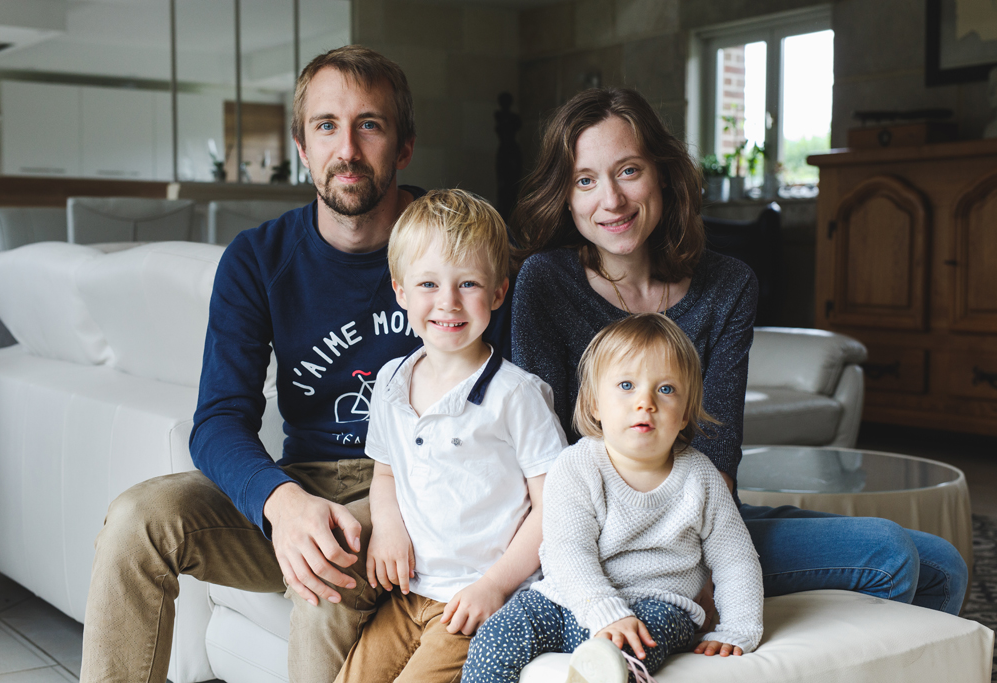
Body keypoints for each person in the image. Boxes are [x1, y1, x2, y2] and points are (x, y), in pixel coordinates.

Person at [80, 46, 504, 683]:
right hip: (304, 481)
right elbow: (218, 421)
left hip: (419, 491)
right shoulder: (257, 259)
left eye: (371, 124)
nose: (348, 149)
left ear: (405, 146)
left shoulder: (458, 248)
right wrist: (282, 502)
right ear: (303, 148)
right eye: (327, 126)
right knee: (137, 521)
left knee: (327, 569)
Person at [509, 87, 967, 622]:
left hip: (702, 513)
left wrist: (716, 562)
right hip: (605, 542)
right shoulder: (544, 282)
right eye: (586, 180)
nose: (610, 200)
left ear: (663, 173)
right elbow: (539, 454)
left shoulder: (727, 284)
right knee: (890, 553)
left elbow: (718, 455)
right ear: (566, 197)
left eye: (628, 171)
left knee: (945, 565)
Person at [333, 189, 567, 683]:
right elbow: (385, 471)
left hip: (475, 600)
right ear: (399, 291)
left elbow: (556, 508)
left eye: (468, 284)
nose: (448, 302)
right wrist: (389, 527)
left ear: (499, 293)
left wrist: (495, 587)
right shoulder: (391, 380)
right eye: (428, 284)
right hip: (407, 597)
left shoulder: (516, 395)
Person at [463, 313, 763, 683]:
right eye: (626, 385)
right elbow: (568, 550)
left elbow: (736, 559)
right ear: (594, 405)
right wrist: (605, 612)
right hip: (566, 600)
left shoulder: (701, 477)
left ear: (685, 414)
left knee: (635, 649)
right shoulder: (576, 466)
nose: (645, 402)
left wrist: (738, 629)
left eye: (665, 389)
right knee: (497, 636)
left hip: (658, 605)